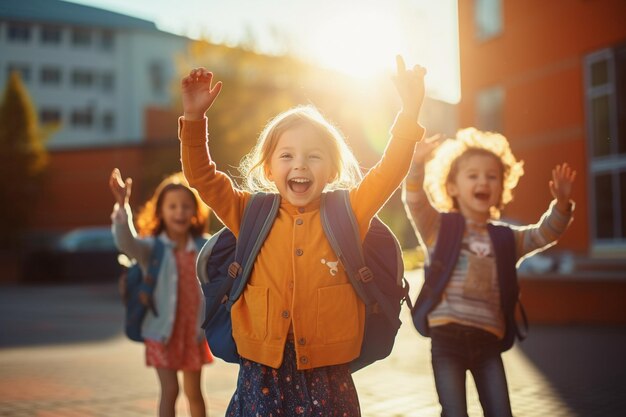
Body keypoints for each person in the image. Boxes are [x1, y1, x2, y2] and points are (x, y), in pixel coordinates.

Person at [178, 55, 426, 416]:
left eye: (314, 156)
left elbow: (389, 172)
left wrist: (409, 113)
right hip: (262, 369)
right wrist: (194, 118)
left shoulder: (348, 212)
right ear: (268, 167)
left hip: (328, 372)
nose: (300, 165)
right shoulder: (249, 212)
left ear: (332, 169)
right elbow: (202, 176)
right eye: (287, 155)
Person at [402, 128, 576, 417]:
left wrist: (561, 205)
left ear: (500, 188)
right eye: (472, 175)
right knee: (454, 412)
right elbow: (415, 200)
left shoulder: (506, 239)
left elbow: (544, 234)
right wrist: (417, 164)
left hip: (488, 342)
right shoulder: (440, 228)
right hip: (447, 338)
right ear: (453, 186)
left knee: (500, 412)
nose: (483, 181)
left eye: (491, 176)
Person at [109, 169, 213, 417]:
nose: (180, 212)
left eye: (186, 206)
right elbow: (126, 243)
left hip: (193, 333)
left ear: (195, 212)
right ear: (161, 212)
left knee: (194, 393)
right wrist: (122, 205)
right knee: (169, 390)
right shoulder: (151, 249)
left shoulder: (204, 246)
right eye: (173, 206)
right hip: (161, 333)